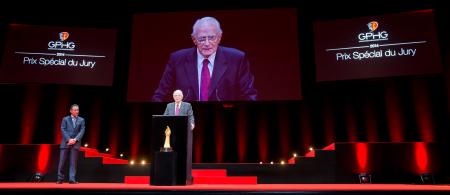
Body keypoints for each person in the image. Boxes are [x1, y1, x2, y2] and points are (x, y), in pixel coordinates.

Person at [152, 16, 257, 102]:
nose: (207, 43)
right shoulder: (177, 59)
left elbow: (250, 96)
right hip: (187, 120)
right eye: (202, 38)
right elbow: (160, 95)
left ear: (219, 37)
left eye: (211, 38)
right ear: (194, 39)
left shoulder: (237, 59)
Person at [163, 90, 195, 184]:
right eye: (175, 95)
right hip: (172, 132)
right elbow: (165, 116)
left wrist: (192, 123)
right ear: (173, 96)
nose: (177, 97)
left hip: (183, 131)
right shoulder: (169, 106)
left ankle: (185, 175)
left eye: (179, 95)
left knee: (183, 153)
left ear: (182, 96)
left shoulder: (187, 105)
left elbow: (191, 116)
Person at [56, 104, 86, 184]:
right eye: (75, 110)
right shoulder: (65, 119)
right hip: (66, 143)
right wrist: (69, 139)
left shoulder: (81, 120)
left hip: (75, 144)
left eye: (78, 110)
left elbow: (82, 131)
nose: (77, 111)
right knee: (62, 162)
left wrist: (75, 139)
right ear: (71, 111)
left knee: (73, 163)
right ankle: (60, 179)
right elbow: (63, 129)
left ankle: (72, 179)